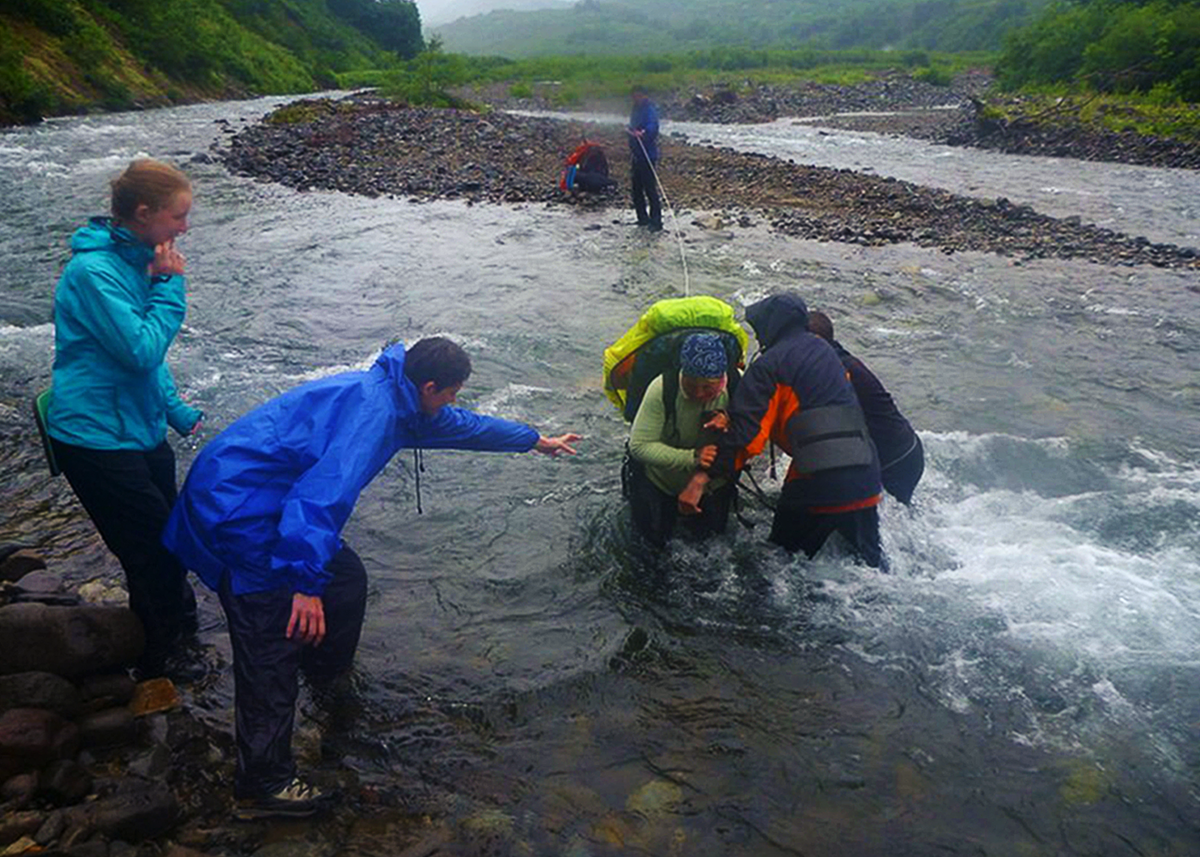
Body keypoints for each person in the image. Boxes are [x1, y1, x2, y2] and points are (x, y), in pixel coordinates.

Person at [162, 337, 580, 819]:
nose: (453, 402)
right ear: (428, 385)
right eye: (451, 392)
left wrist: (532, 439)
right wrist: (303, 586)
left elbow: (460, 426)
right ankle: (262, 784)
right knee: (270, 639)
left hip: (261, 495)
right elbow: (322, 496)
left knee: (344, 579)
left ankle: (323, 673)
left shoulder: (400, 398)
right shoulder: (374, 414)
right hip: (240, 510)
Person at [47, 158, 203, 680]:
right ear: (143, 213)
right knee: (151, 552)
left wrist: (174, 409)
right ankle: (156, 663)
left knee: (175, 537)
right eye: (178, 216)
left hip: (136, 427)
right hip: (92, 436)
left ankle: (181, 634)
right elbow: (140, 349)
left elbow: (143, 362)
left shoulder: (137, 260)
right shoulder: (93, 273)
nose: (184, 228)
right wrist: (171, 287)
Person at [679, 293, 887, 569]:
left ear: (770, 328)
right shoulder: (826, 350)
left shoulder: (768, 367)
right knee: (871, 569)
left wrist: (699, 480)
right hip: (866, 478)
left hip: (816, 485)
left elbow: (747, 439)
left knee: (776, 567)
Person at [627, 333, 735, 548]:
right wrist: (692, 458)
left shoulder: (739, 385)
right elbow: (639, 446)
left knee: (713, 549)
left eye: (708, 387)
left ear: (722, 378)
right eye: (691, 384)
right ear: (682, 373)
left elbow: (754, 435)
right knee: (653, 549)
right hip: (661, 485)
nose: (699, 393)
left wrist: (732, 420)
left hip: (713, 487)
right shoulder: (662, 388)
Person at [807, 311, 924, 505]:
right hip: (908, 450)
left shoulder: (835, 370)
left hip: (894, 460)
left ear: (816, 340)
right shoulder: (838, 357)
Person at [627, 85, 662, 231]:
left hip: (648, 155)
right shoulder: (635, 109)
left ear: (644, 96)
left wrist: (644, 132)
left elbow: (653, 126)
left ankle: (656, 221)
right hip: (636, 155)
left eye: (638, 96)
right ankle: (642, 218)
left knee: (650, 189)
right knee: (636, 189)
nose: (636, 99)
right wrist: (629, 130)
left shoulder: (650, 109)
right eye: (634, 96)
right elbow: (632, 125)